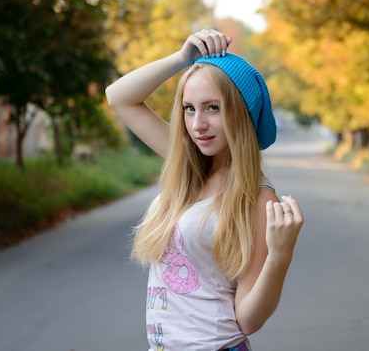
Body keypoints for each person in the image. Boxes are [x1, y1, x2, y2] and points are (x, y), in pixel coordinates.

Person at [105, 29, 303, 351]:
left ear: (241, 113)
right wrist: (181, 59)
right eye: (189, 108)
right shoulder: (186, 167)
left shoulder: (256, 198)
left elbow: (248, 320)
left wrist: (280, 256)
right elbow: (119, 97)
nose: (198, 124)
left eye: (213, 107)